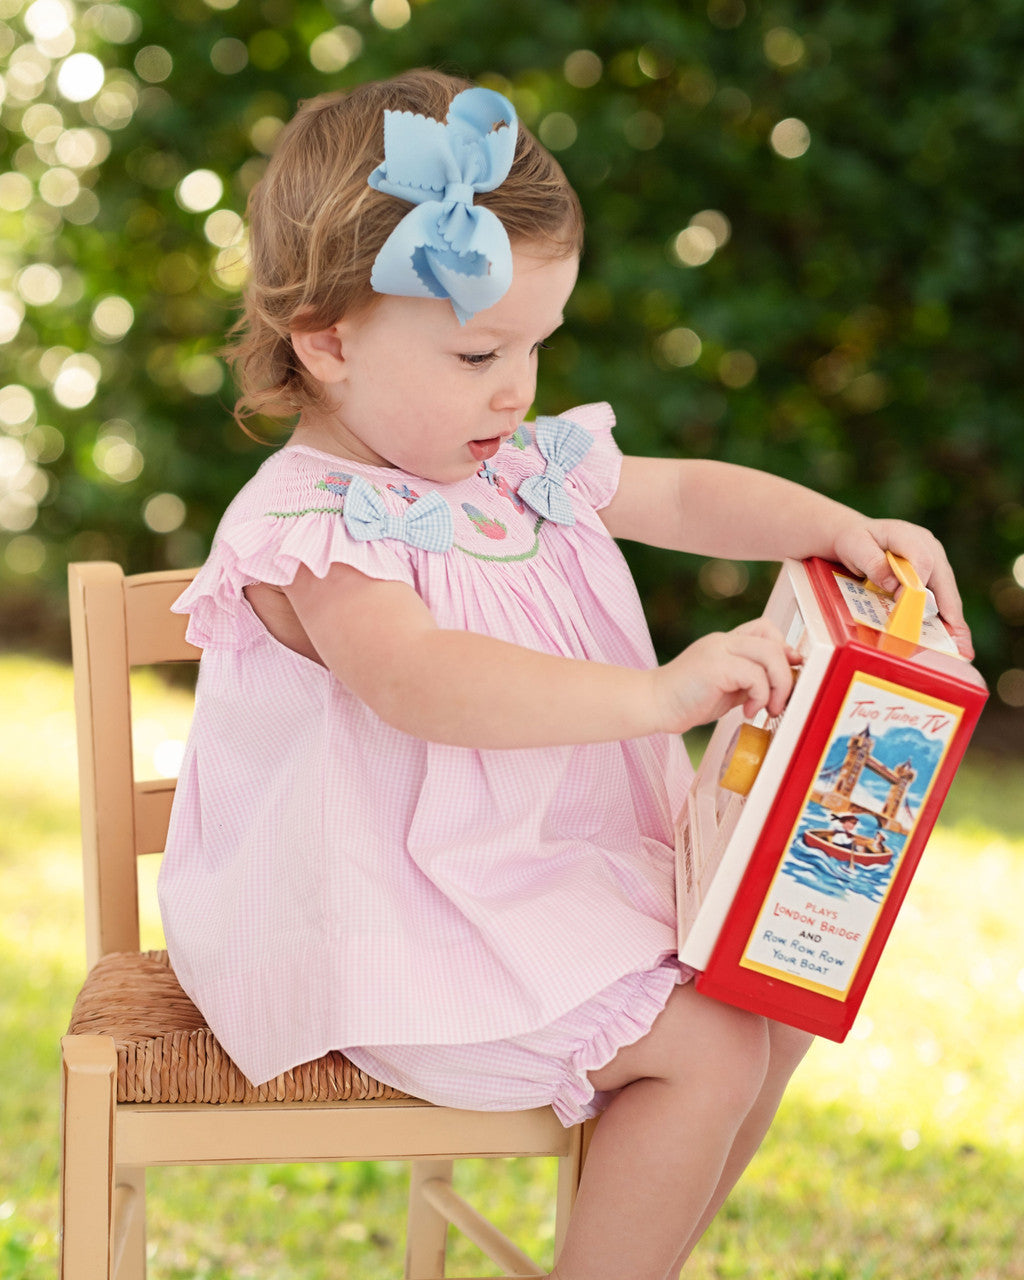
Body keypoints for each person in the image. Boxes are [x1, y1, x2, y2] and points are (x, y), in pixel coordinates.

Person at [158, 69, 974, 1280]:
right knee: (704, 1044)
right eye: (481, 349)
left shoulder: (510, 461)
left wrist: (842, 525)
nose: (518, 388)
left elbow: (686, 492)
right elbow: (422, 680)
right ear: (324, 340)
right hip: (387, 921)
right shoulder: (317, 525)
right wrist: (658, 696)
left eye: (538, 343)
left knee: (780, 986)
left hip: (537, 881)